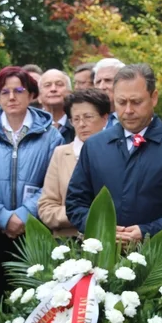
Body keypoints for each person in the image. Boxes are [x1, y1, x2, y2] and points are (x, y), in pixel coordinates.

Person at [66, 63, 162, 242]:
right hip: (103, 257)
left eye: (136, 102)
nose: (128, 110)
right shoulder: (95, 146)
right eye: (121, 102)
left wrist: (147, 231)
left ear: (153, 97)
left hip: (159, 259)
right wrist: (103, 229)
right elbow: (75, 203)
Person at [0, 66, 63, 316]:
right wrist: (3, 217)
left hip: (33, 229)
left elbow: (52, 183)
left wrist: (23, 216)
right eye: (4, 92)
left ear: (32, 94)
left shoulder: (51, 136)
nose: (11, 97)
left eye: (19, 90)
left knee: (32, 301)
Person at [39, 89, 110, 237]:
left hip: (112, 239)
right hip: (69, 242)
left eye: (88, 117)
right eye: (75, 119)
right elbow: (46, 208)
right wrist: (84, 216)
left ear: (105, 118)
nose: (82, 124)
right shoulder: (61, 153)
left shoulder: (118, 151)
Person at [39, 69, 75, 142]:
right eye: (47, 85)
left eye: (59, 84)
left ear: (70, 93)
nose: (53, 89)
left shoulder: (78, 123)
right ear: (39, 96)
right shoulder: (31, 125)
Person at [93, 58, 125, 128]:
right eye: (98, 82)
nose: (101, 87)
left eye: (108, 80)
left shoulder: (134, 118)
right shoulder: (89, 120)